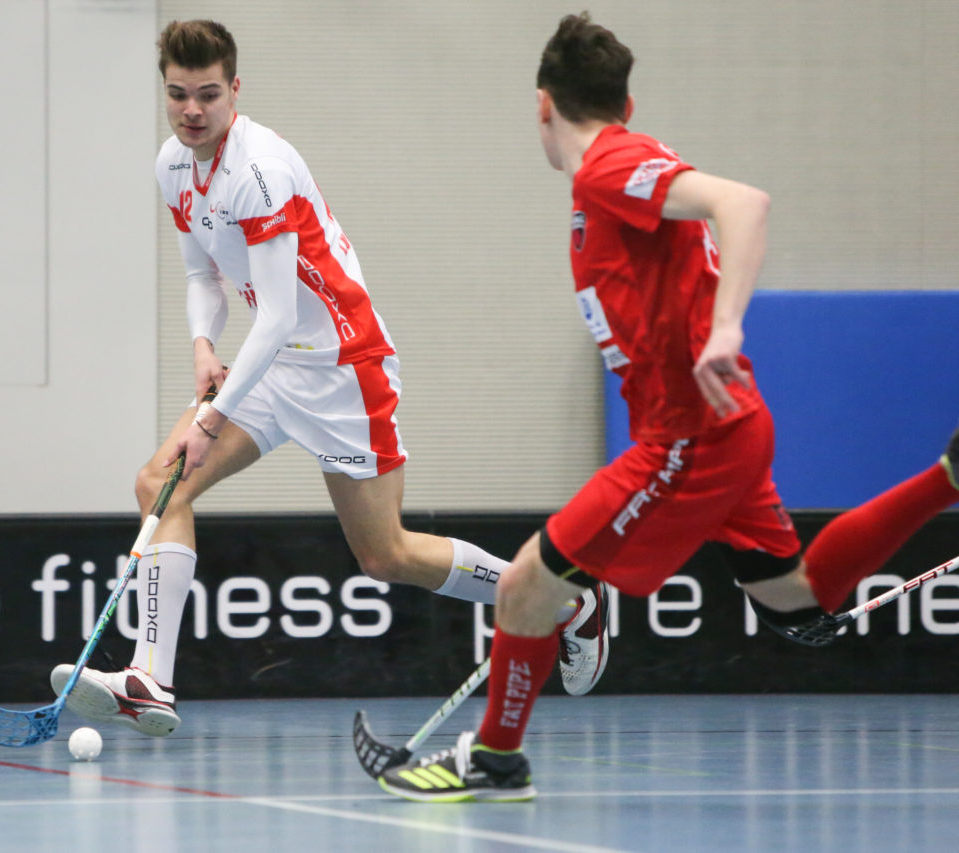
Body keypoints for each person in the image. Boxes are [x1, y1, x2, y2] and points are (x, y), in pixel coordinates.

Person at [378, 12, 959, 802]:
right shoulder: (625, 166)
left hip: (689, 437)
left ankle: (495, 759)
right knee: (798, 603)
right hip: (724, 427)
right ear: (625, 97)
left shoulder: (609, 166)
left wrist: (725, 327)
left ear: (543, 106)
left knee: (528, 584)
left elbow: (745, 203)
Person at [49, 19, 610, 737]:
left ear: (235, 91)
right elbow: (202, 273)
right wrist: (199, 347)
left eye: (208, 96)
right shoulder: (173, 164)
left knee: (387, 554)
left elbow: (281, 315)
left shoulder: (261, 171)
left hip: (344, 370)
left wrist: (212, 419)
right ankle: (148, 677)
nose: (192, 111)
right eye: (178, 95)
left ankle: (565, 602)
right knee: (160, 480)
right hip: (271, 364)